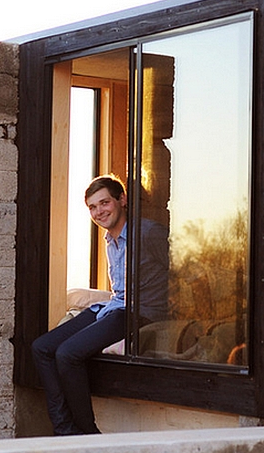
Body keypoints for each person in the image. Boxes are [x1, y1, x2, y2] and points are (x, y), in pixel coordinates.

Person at [31, 174, 168, 435]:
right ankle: (65, 430)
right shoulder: (110, 241)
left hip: (140, 311)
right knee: (42, 348)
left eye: (104, 203)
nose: (99, 212)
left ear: (122, 200)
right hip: (114, 307)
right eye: (93, 207)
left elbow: (184, 272)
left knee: (68, 353)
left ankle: (88, 435)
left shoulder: (149, 233)